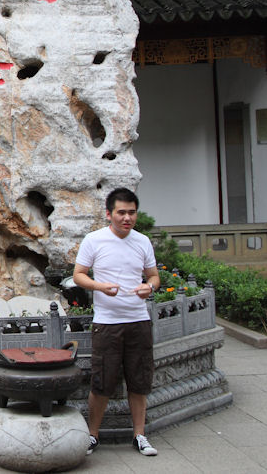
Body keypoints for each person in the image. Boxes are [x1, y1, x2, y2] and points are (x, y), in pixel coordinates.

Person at [73, 187, 160, 458]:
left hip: (138, 320)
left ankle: (139, 435)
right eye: (121, 212)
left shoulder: (142, 241)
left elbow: (154, 276)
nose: (127, 218)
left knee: (139, 381)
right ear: (109, 214)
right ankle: (92, 435)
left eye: (131, 212)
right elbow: (78, 275)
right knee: (102, 382)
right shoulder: (94, 240)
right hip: (107, 323)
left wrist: (150, 287)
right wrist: (99, 286)